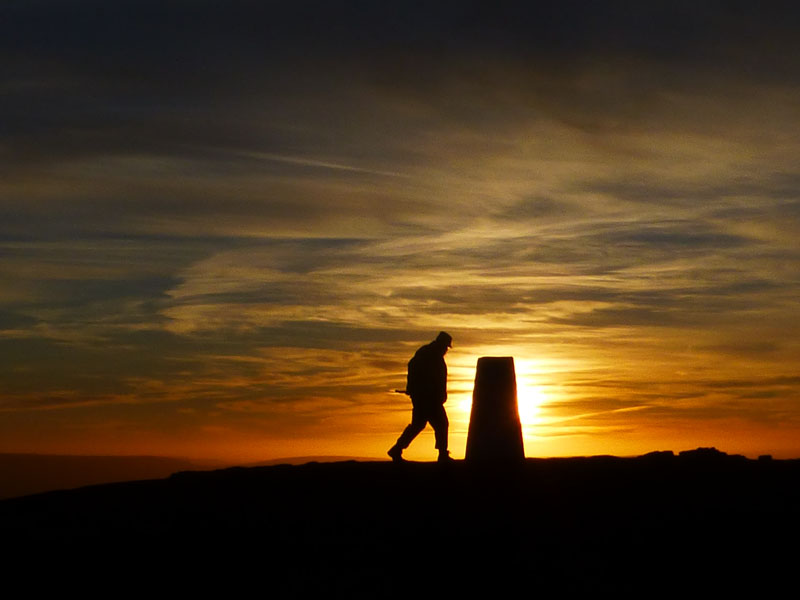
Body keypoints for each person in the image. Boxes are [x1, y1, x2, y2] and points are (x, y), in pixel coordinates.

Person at [388, 331, 454, 462]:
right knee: (441, 424)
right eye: (446, 346)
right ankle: (442, 454)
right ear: (441, 344)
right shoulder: (429, 354)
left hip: (426, 397)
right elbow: (419, 371)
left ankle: (396, 449)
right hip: (428, 398)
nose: (446, 350)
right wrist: (415, 387)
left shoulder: (429, 353)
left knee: (418, 425)